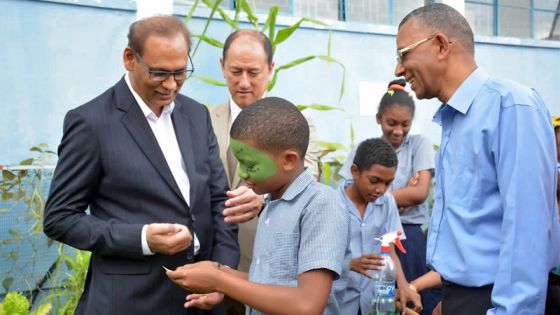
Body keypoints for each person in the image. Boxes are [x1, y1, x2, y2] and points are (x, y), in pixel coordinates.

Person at [43, 15, 239, 315]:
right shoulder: (91, 123)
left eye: (180, 72)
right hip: (130, 302)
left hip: (202, 302)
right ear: (129, 58)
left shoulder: (197, 115)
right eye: (159, 73)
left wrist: (221, 277)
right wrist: (142, 238)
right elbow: (59, 218)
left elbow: (219, 202)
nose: (171, 85)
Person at [395, 3, 560, 314]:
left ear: (441, 45)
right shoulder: (454, 121)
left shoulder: (510, 107)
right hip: (466, 297)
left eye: (404, 54)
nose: (398, 70)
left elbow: (528, 230)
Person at [166, 97, 350, 315]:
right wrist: (217, 272)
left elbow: (307, 304)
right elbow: (269, 282)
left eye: (250, 165)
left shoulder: (321, 204)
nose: (242, 173)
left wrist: (219, 280)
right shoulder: (272, 206)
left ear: (289, 160)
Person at [209, 29, 320, 314]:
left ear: (271, 69)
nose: (244, 82)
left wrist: (264, 197)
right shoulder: (203, 120)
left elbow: (307, 177)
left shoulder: (297, 124)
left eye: (253, 72)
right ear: (222, 66)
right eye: (235, 71)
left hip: (273, 275)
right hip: (214, 270)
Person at [340, 79, 437, 313]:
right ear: (378, 119)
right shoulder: (362, 154)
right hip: (354, 271)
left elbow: (420, 193)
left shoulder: (418, 145)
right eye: (391, 123)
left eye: (405, 124)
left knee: (400, 304)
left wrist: (403, 285)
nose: (398, 131)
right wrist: (399, 195)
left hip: (403, 246)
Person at [338, 137, 422, 315]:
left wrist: (404, 284)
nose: (381, 189)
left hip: (374, 300)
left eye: (387, 183)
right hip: (340, 300)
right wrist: (349, 264)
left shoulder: (388, 202)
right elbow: (320, 255)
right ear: (354, 171)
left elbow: (390, 251)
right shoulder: (332, 203)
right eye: (374, 180)